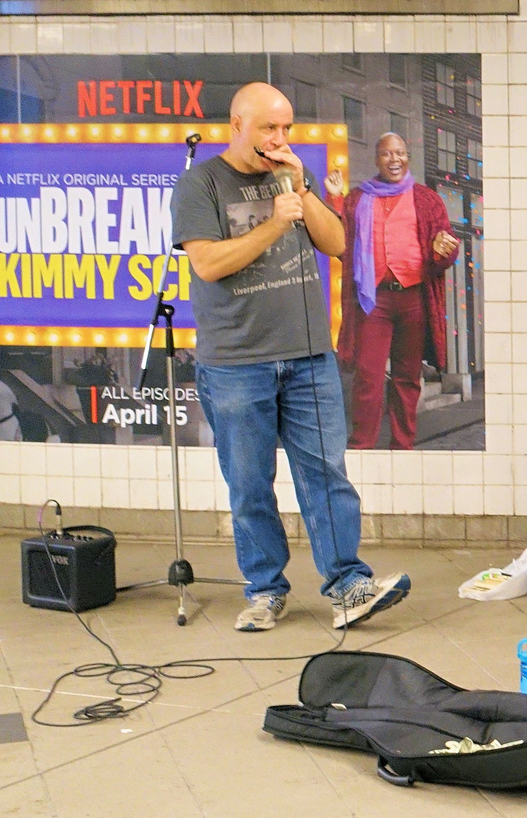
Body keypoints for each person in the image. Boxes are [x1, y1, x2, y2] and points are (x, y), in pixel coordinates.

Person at [172, 83, 410, 633]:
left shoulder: (290, 176)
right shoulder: (199, 184)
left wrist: (300, 191)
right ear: (236, 125)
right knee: (250, 482)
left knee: (326, 474)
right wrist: (275, 222)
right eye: (267, 129)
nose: (279, 139)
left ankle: (348, 584)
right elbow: (208, 264)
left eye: (286, 128)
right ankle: (264, 590)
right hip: (235, 361)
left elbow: (336, 242)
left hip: (308, 357)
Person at [332, 133, 461, 450]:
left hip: (414, 298)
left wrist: (443, 250)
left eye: (400, 153)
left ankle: (403, 446)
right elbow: (339, 245)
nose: (394, 159)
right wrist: (336, 200)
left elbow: (445, 247)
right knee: (368, 376)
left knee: (407, 377)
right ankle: (362, 444)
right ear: (377, 160)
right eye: (387, 154)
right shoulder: (357, 199)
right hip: (372, 300)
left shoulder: (427, 199)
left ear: (407, 159)